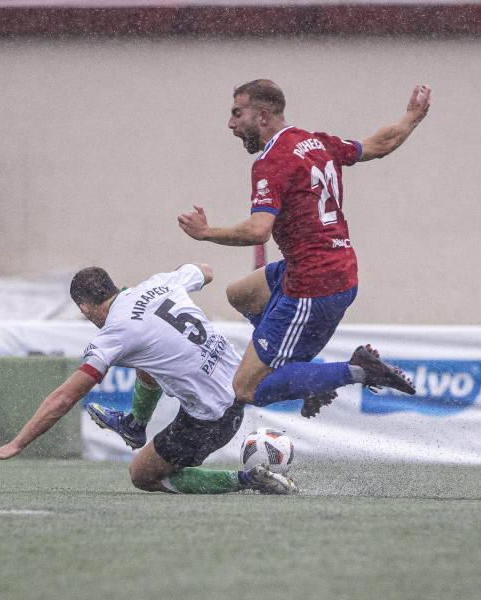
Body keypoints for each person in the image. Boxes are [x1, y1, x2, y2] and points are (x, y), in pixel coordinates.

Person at [178, 79, 429, 417]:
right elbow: (378, 145)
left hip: (313, 285)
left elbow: (258, 231)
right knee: (239, 294)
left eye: (238, 114)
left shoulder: (272, 161)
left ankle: (356, 370)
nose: (231, 123)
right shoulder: (316, 142)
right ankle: (306, 377)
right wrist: (411, 118)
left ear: (263, 116)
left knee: (246, 388)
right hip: (330, 268)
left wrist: (206, 232)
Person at [0, 263, 297, 495]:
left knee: (142, 475)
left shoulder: (114, 334)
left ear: (85, 309)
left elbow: (64, 399)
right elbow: (206, 270)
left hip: (213, 418)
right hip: (242, 381)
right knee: (145, 359)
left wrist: (15, 445)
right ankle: (135, 425)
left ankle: (246, 480)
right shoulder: (158, 283)